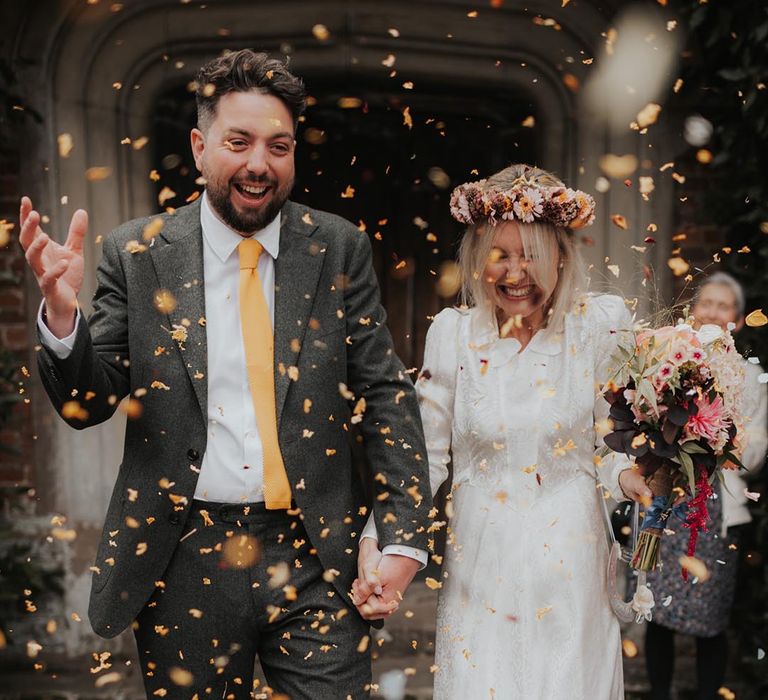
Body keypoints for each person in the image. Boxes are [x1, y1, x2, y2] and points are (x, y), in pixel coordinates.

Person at [19, 49, 433, 699]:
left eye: (279, 146)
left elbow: (384, 395)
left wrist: (403, 538)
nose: (259, 164)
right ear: (200, 146)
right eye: (238, 142)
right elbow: (86, 402)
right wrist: (63, 317)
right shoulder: (137, 254)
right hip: (182, 556)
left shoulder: (338, 248)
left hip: (313, 552)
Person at [352, 164, 652, 697]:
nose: (515, 273)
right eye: (499, 255)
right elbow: (423, 457)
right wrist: (383, 538)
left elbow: (608, 439)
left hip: (571, 555)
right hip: (481, 559)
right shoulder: (454, 336)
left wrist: (629, 475)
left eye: (529, 255)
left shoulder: (599, 326)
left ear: (560, 255)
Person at [644, 272, 767, 700]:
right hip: (666, 500)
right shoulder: (668, 360)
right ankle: (659, 692)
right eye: (706, 303)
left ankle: (706, 693)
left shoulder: (750, 378)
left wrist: (718, 439)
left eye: (724, 305)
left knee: (710, 614)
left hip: (715, 507)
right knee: (655, 605)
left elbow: (755, 451)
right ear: (693, 311)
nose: (713, 312)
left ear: (737, 317)